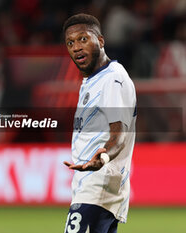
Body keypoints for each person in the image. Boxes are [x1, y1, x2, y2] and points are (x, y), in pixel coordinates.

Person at [62, 13, 136, 233]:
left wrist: (102, 158)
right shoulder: (93, 80)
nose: (76, 47)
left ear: (100, 41)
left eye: (83, 39)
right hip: (90, 186)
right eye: (70, 43)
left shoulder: (112, 79)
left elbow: (119, 134)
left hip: (99, 185)